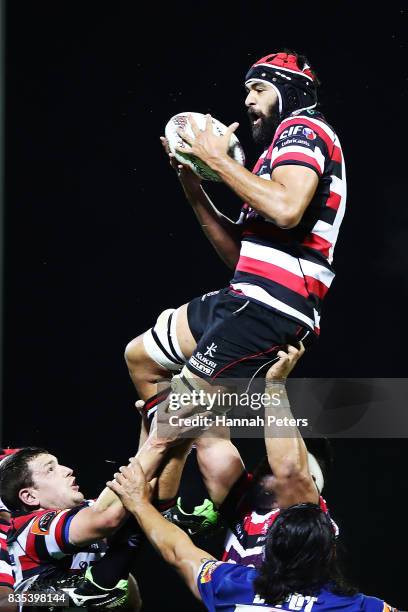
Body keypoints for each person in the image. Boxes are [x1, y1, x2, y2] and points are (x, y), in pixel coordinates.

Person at [124, 49, 347, 510]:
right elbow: (238, 255)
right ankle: (181, 498)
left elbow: (286, 210)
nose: (247, 99)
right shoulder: (270, 158)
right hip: (243, 295)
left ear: (291, 92)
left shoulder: (303, 129)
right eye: (247, 88)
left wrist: (219, 161)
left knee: (178, 413)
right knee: (142, 358)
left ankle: (124, 517)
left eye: (258, 88)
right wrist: (194, 185)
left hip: (272, 307)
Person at [106, 464, 395, 612]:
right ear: (330, 554)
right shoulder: (354, 606)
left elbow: (178, 551)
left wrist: (138, 503)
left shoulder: (231, 585)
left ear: (270, 549)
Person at [0, 424, 182, 609]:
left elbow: (147, 489)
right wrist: (159, 440)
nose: (67, 469)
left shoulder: (85, 509)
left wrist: (173, 438)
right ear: (30, 496)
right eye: (50, 469)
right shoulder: (32, 527)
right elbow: (106, 518)